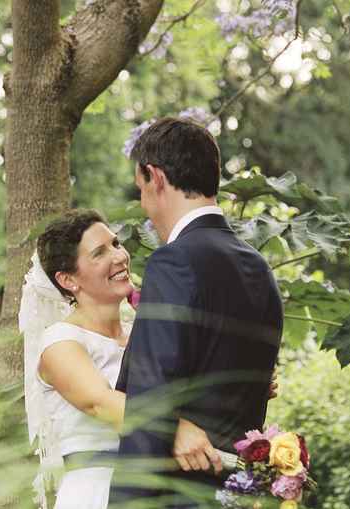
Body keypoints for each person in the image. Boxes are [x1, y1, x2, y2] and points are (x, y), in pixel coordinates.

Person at [109, 117, 284, 507]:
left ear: (154, 177)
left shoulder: (174, 261)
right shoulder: (259, 268)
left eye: (140, 189)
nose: (143, 205)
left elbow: (151, 398)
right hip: (237, 493)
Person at [22, 209, 221, 509]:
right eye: (99, 253)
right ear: (67, 279)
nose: (119, 257)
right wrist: (173, 429)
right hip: (97, 492)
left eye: (116, 244)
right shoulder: (60, 343)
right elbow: (99, 402)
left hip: (161, 491)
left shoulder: (142, 333)